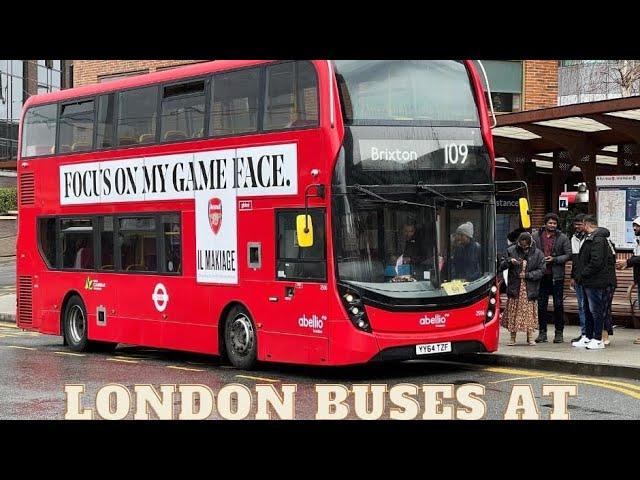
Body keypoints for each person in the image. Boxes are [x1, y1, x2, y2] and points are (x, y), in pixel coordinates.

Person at [572, 215, 616, 350]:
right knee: (587, 309)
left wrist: (582, 274)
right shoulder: (592, 237)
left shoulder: (598, 239)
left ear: (586, 224)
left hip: (596, 282)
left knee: (595, 310)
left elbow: (596, 262)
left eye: (582, 224)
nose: (581, 227)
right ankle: (588, 337)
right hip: (589, 281)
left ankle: (598, 339)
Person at [498, 232, 545, 345]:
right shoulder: (511, 250)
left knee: (529, 313)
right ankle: (512, 338)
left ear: (530, 243)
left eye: (526, 246)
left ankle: (530, 337)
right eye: (521, 245)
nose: (524, 248)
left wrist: (528, 275)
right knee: (513, 312)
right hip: (515, 287)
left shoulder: (538, 253)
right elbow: (501, 265)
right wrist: (510, 261)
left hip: (529, 288)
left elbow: (541, 270)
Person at [532, 213, 572, 343]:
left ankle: (559, 333)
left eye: (554, 223)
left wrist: (554, 259)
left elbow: (568, 255)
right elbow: (530, 252)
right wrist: (540, 260)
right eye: (550, 223)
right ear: (545, 224)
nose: (552, 225)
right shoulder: (535, 237)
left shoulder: (563, 238)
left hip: (557, 276)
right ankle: (542, 332)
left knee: (558, 305)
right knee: (541, 305)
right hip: (541, 276)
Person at [616, 216, 640, 345]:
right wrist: (627, 264)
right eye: (634, 226)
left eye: (637, 226)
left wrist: (627, 261)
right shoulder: (638, 240)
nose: (634, 228)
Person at [570, 214, 588, 343]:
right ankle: (584, 333)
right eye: (575, 224)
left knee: (589, 306)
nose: (577, 227)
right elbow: (575, 260)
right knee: (581, 306)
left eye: (579, 224)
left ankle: (591, 333)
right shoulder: (574, 238)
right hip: (578, 278)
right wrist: (573, 276)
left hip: (589, 278)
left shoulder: (591, 238)